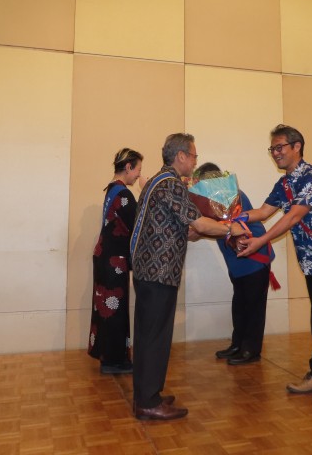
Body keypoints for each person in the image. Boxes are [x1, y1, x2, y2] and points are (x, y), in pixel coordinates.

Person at [237, 125, 312, 406]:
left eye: (280, 147)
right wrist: (233, 217)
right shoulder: (284, 184)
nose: (275, 153)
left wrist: (260, 241)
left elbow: (292, 217)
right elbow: (263, 212)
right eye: (272, 148)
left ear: (297, 147)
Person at [130, 133, 244, 421]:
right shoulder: (170, 184)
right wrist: (231, 228)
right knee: (155, 338)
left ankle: (147, 394)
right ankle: (148, 402)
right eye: (193, 155)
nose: (195, 161)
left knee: (148, 336)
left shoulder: (158, 181)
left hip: (149, 271)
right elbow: (200, 223)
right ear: (180, 156)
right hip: (158, 273)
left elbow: (182, 226)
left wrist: (195, 230)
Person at [191, 162, 275, 366]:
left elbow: (230, 226)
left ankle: (250, 350)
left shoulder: (232, 196)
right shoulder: (211, 202)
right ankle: (237, 344)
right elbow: (212, 228)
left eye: (199, 183)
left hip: (254, 259)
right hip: (237, 264)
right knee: (240, 306)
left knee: (253, 307)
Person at [88, 148, 144, 374]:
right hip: (113, 261)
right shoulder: (123, 194)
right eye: (137, 170)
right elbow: (139, 223)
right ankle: (114, 360)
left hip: (106, 257)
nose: (138, 175)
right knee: (114, 310)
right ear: (128, 167)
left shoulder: (112, 190)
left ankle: (108, 357)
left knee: (105, 308)